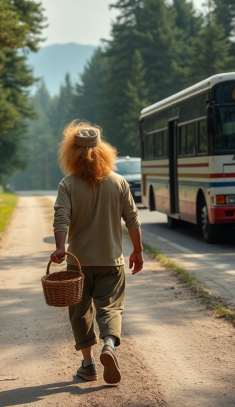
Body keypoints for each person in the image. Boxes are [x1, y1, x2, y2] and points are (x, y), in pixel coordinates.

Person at [51, 121, 144, 384]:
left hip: (78, 264)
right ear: (102, 151)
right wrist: (137, 251)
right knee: (111, 308)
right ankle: (109, 346)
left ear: (72, 153)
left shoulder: (67, 184)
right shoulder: (119, 182)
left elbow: (62, 216)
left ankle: (89, 365)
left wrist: (60, 247)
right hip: (111, 261)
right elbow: (133, 220)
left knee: (79, 313)